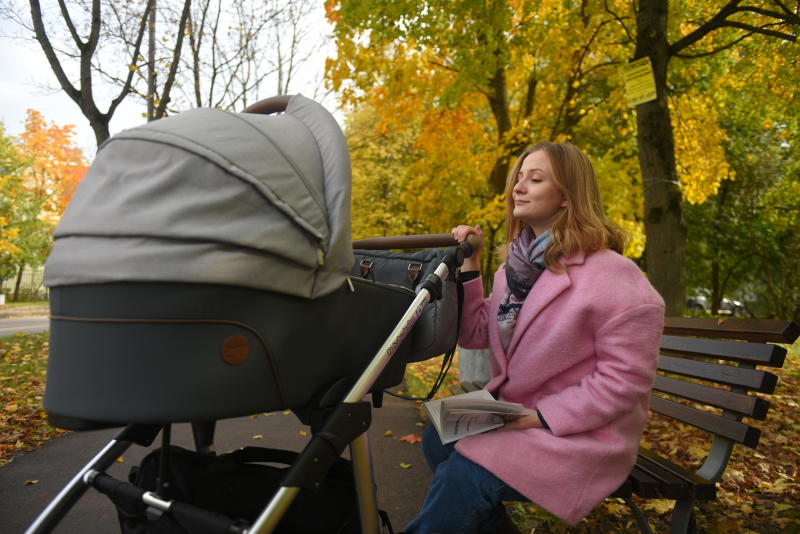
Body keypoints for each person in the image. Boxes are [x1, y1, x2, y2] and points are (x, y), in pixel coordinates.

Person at [404, 142, 665, 533]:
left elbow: (624, 381)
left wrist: (540, 416)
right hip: (516, 409)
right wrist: (472, 265)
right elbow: (476, 333)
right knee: (437, 433)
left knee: (464, 473)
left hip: (578, 431)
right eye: (519, 178)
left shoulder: (613, 276)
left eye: (536, 179)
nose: (518, 188)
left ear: (567, 196)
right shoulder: (515, 269)